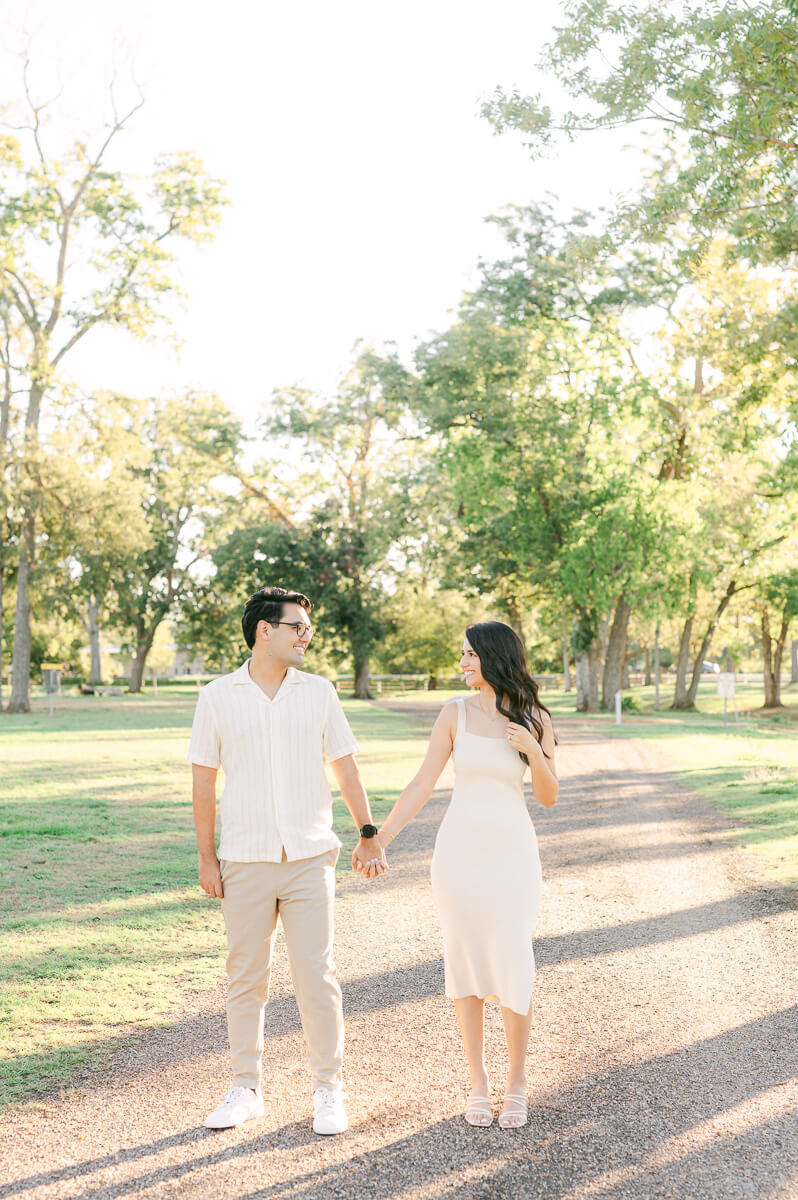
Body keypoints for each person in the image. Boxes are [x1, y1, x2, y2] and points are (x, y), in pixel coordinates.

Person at [188, 586, 386, 1135]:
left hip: (308, 856)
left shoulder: (319, 692)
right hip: (244, 860)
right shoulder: (216, 696)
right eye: (297, 625)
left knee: (316, 976)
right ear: (264, 631)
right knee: (245, 977)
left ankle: (329, 1090)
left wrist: (368, 833)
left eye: (308, 627)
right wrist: (208, 859)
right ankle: (245, 1088)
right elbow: (204, 784)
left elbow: (346, 768)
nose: (307, 635)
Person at [362, 621, 557, 1129]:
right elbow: (422, 782)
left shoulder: (535, 717)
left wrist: (534, 752)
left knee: (515, 959)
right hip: (458, 856)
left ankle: (517, 1082)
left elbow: (549, 795)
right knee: (465, 963)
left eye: (470, 655)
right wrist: (380, 838)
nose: (463, 663)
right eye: (463, 655)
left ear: (494, 658)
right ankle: (478, 1081)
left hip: (513, 855)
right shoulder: (453, 713)